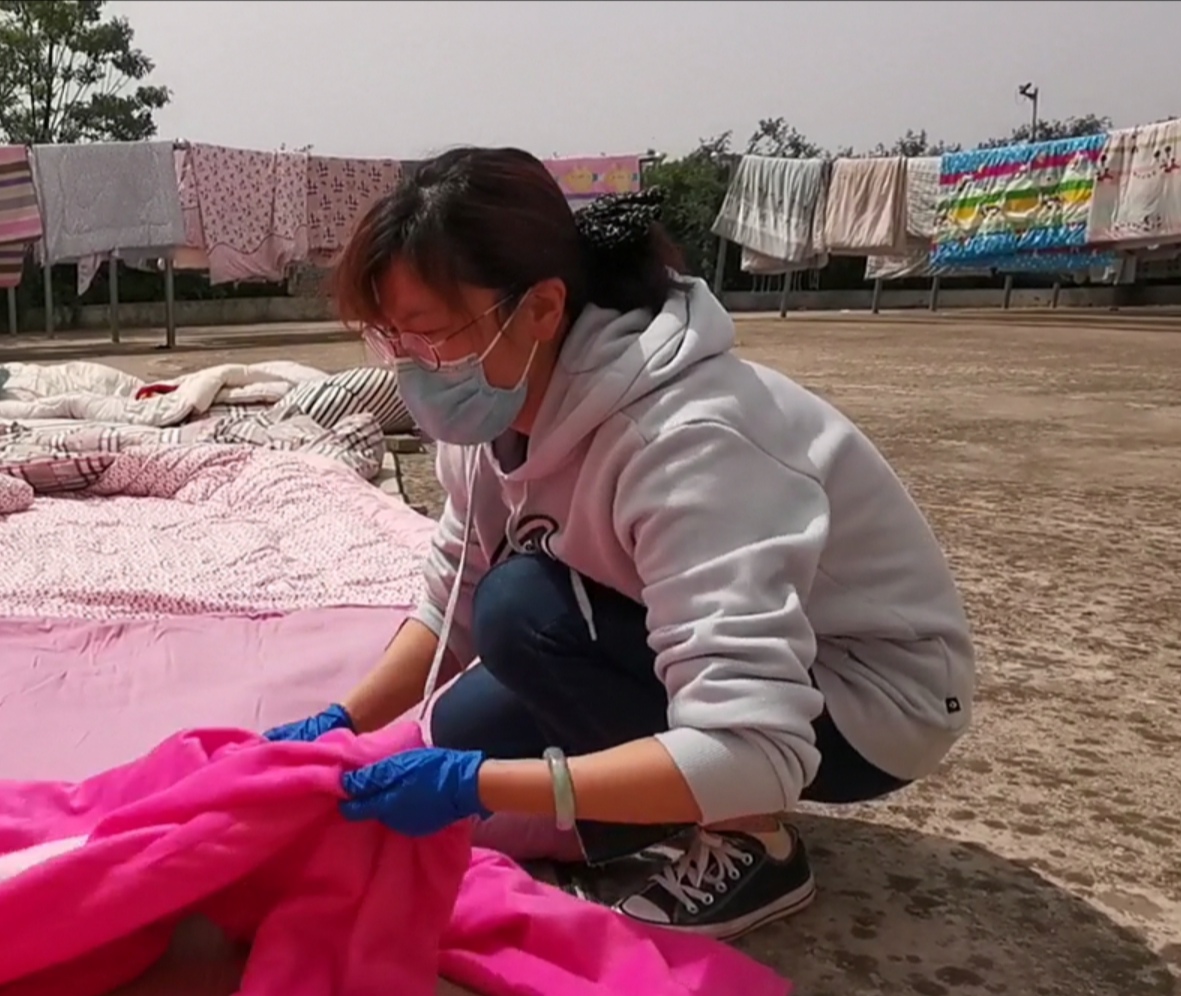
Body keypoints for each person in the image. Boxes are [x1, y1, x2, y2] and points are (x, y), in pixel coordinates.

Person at [266, 147, 976, 942]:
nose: (413, 372)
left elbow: (759, 744)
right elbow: (449, 600)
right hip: (704, 646)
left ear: (541, 308)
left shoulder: (687, 439)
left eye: (430, 338)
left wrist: (481, 786)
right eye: (392, 341)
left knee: (520, 614)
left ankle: (752, 842)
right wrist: (341, 722)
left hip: (866, 701)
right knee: (470, 716)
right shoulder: (488, 415)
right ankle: (656, 796)